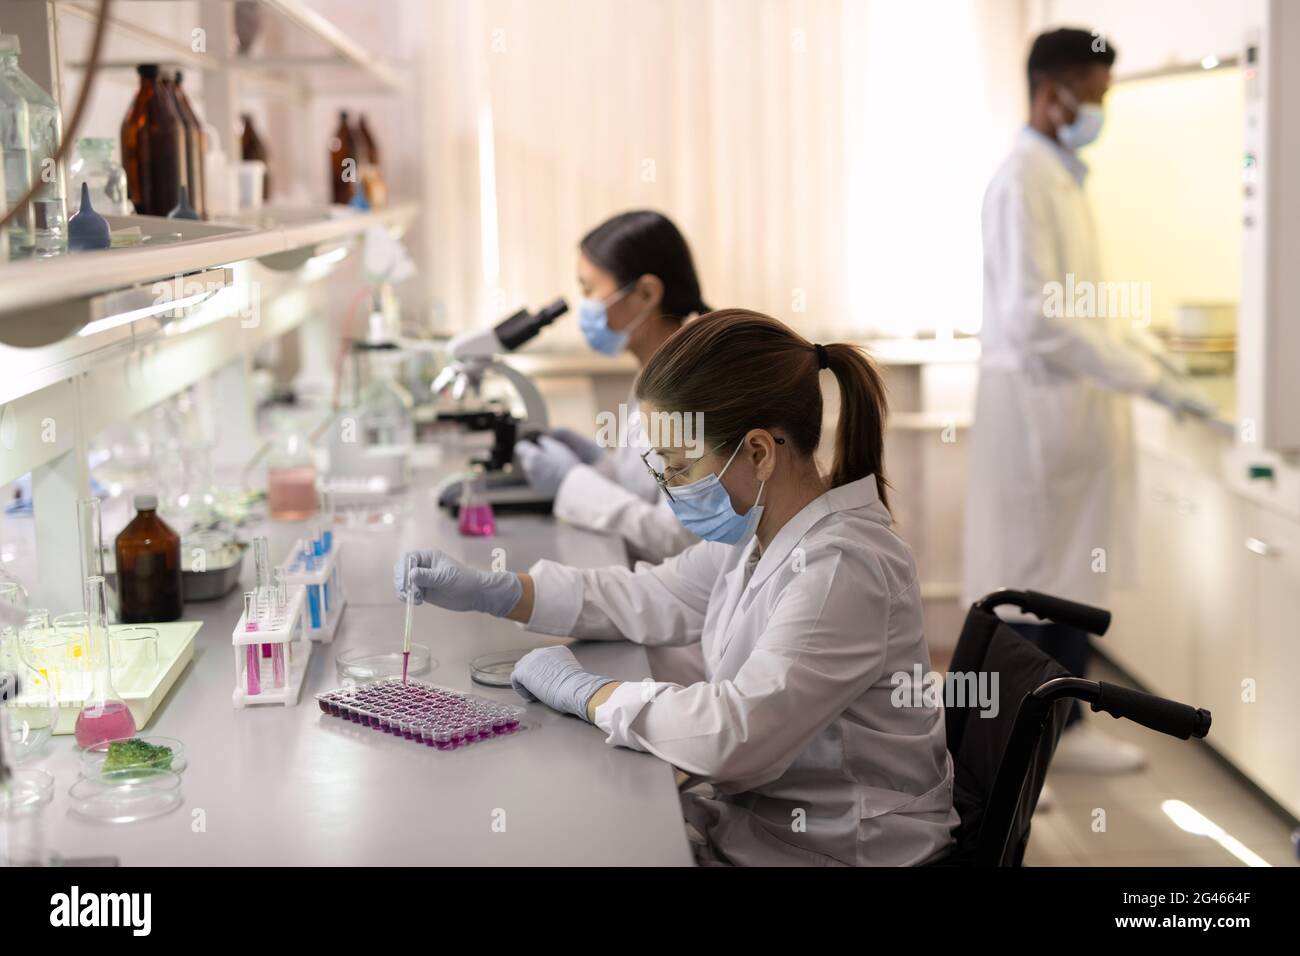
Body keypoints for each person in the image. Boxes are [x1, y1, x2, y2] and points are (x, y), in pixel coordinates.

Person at [396, 310, 958, 866]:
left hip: (839, 850)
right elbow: (651, 596)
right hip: (767, 823)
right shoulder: (765, 529)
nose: (669, 488)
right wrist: (494, 591)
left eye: (679, 468)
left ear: (759, 453)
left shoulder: (841, 568)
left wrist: (587, 695)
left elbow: (734, 737)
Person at [964, 28, 1214, 775]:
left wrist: (1146, 354)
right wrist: (1145, 377)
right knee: (1042, 585)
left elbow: (1083, 307)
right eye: (1096, 98)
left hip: (1068, 416)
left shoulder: (1063, 176)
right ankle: (1042, 730)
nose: (1101, 114)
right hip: (1038, 416)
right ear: (1052, 95)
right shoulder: (1021, 182)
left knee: (1068, 581)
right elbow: (1038, 320)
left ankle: (1062, 725)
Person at [513, 210, 708, 563]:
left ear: (646, 293)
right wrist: (599, 462)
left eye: (589, 289)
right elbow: (644, 486)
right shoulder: (654, 369)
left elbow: (676, 539)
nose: (584, 306)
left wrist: (571, 481)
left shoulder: (693, 387)